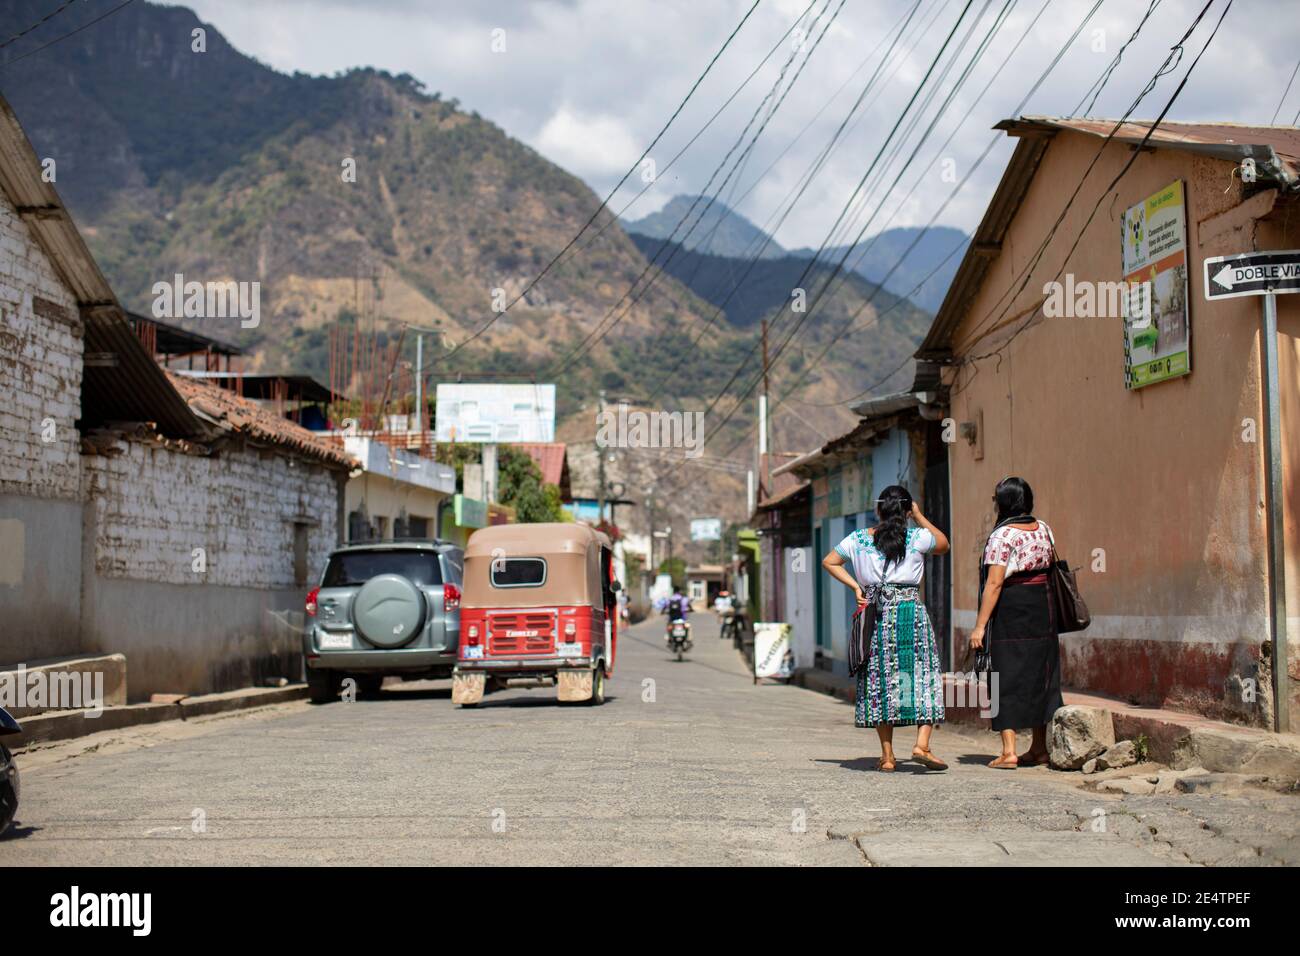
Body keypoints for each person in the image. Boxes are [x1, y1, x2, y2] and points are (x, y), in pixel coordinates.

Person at [821, 486, 950, 772]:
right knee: (922, 674)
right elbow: (943, 544)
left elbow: (829, 561)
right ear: (906, 510)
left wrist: (857, 586)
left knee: (881, 680)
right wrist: (919, 515)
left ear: (879, 510)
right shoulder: (917, 536)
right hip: (910, 612)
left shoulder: (858, 539)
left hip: (877, 615)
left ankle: (888, 756)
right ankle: (922, 744)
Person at [969, 476, 1064, 769]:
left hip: (1012, 609)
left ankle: (1009, 751)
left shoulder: (1002, 536)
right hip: (1043, 608)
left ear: (1004, 503)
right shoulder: (1043, 529)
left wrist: (980, 626)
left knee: (1004, 675)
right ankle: (1038, 748)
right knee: (1041, 675)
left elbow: (995, 583)